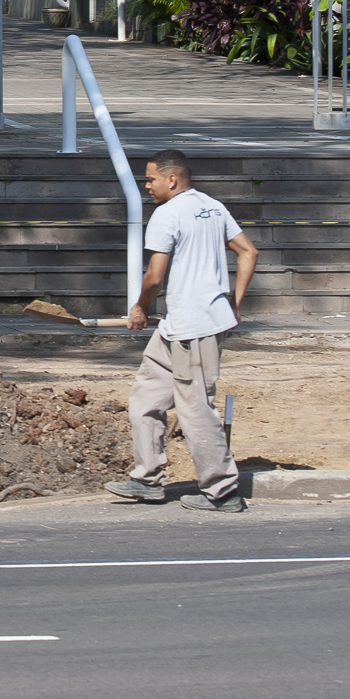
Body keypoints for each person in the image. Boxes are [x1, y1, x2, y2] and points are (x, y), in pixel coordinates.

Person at [105, 148, 259, 513]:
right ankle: (147, 479)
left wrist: (141, 307)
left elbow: (154, 276)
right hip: (177, 327)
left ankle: (222, 492)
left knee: (194, 409)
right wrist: (233, 302)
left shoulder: (167, 214)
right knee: (146, 398)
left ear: (171, 179)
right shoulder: (212, 206)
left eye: (151, 178)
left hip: (195, 328)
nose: (147, 186)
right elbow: (248, 252)